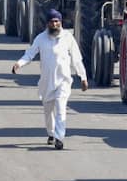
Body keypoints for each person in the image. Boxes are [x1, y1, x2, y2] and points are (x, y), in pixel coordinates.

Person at [11, 9, 88, 150]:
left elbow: (77, 59)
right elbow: (30, 54)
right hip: (47, 82)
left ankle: (59, 138)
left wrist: (83, 77)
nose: (55, 24)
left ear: (61, 22)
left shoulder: (68, 37)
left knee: (60, 107)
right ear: (47, 23)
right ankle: (51, 133)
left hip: (63, 80)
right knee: (48, 111)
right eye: (52, 21)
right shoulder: (41, 38)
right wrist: (19, 64)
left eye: (57, 21)